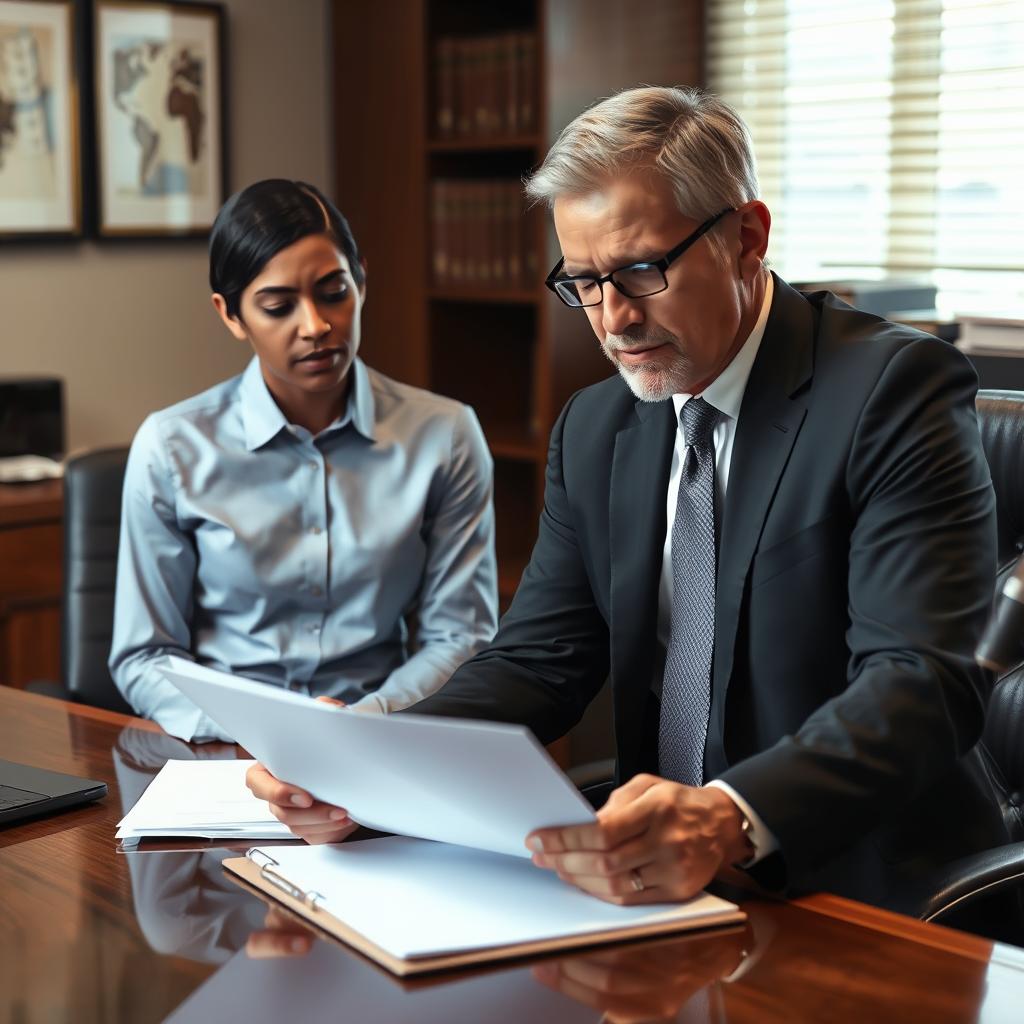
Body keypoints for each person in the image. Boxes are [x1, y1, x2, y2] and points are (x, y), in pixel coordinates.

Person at [247, 90, 1009, 914]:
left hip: (865, 895)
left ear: (747, 238)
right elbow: (539, 662)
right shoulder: (598, 426)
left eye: (642, 270)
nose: (613, 320)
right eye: (584, 282)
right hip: (650, 889)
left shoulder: (890, 391)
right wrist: (371, 761)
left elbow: (919, 682)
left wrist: (730, 816)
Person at [110, 179, 498, 741]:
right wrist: (269, 735)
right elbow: (145, 656)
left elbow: (460, 637)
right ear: (231, 315)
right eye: (278, 306)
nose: (315, 326)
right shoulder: (171, 449)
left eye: (333, 291)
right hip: (227, 751)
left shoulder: (446, 436)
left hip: (382, 739)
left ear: (361, 281)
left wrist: (365, 722)